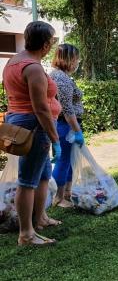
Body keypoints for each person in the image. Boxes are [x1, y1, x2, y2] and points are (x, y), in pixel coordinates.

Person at [2, 21, 62, 246]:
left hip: (22, 121)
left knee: (43, 173)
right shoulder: (33, 67)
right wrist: (55, 138)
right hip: (34, 125)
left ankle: (41, 218)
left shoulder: (13, 61)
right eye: (52, 42)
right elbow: (40, 108)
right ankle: (26, 233)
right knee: (27, 180)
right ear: (45, 44)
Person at [50, 44, 84, 208]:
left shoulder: (62, 76)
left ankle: (67, 193)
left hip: (68, 124)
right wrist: (77, 131)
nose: (78, 61)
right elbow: (67, 109)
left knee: (69, 160)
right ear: (68, 59)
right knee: (63, 160)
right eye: (76, 58)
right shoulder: (60, 78)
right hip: (65, 125)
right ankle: (58, 197)